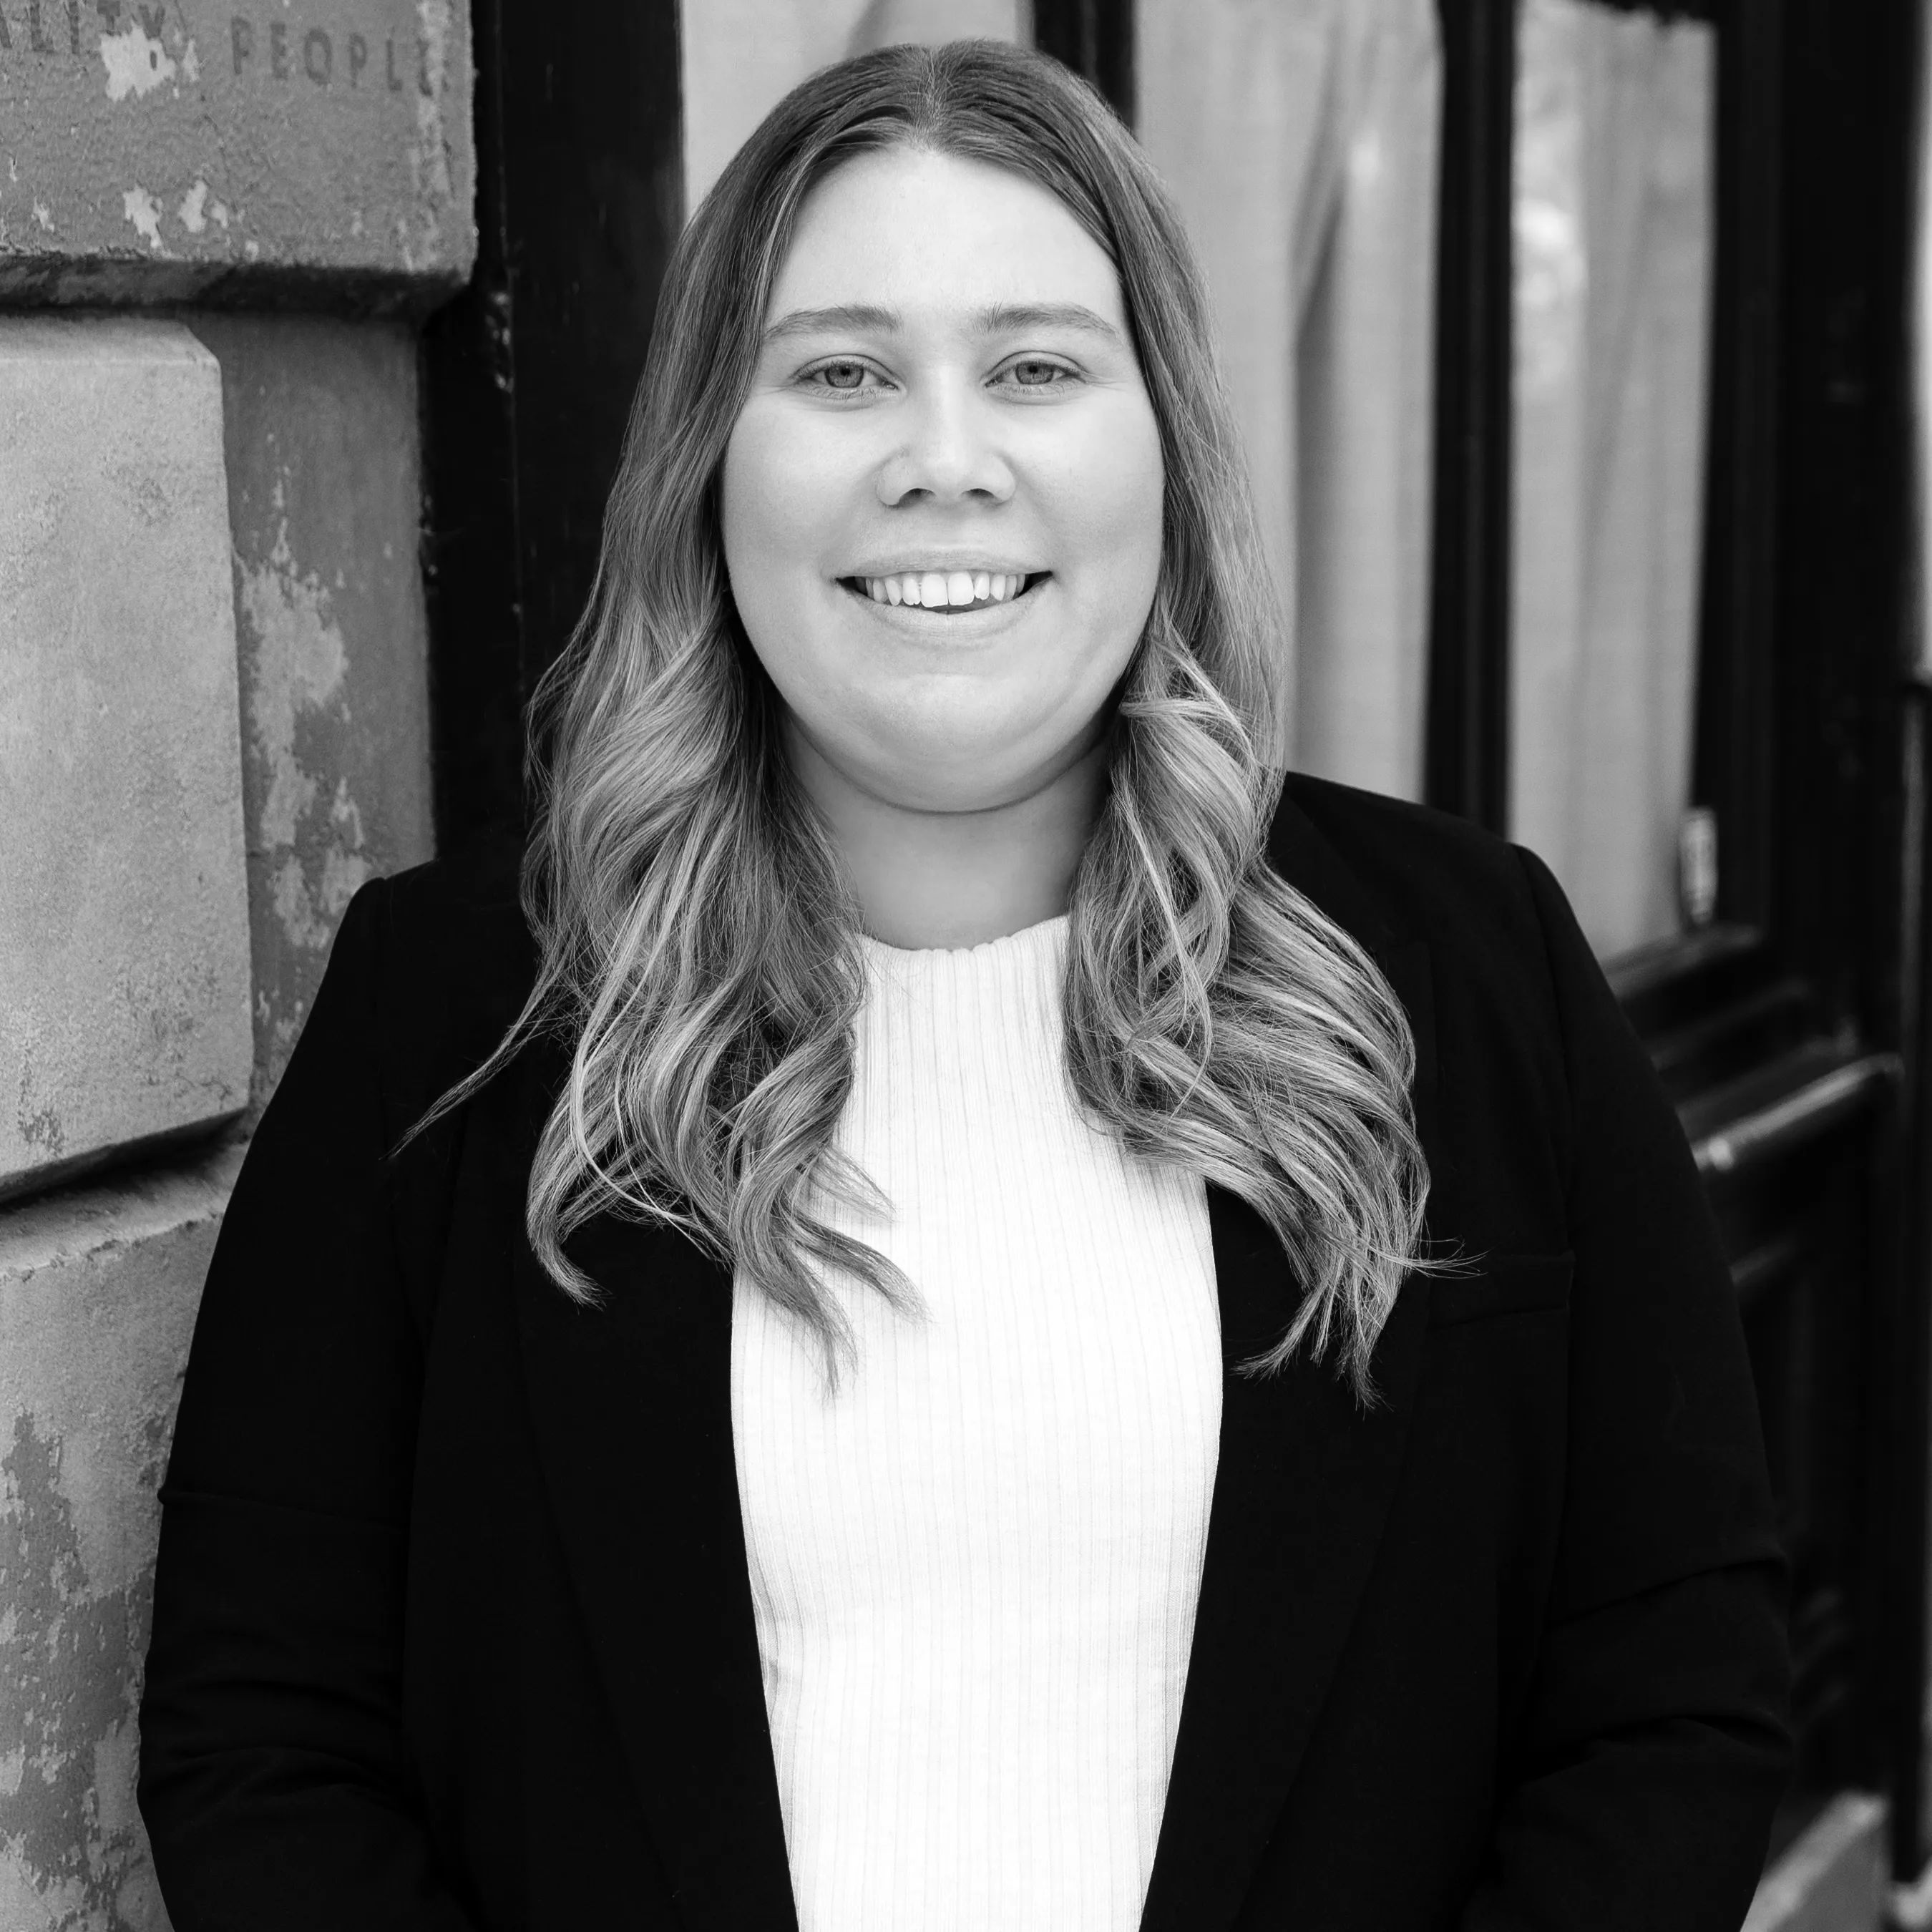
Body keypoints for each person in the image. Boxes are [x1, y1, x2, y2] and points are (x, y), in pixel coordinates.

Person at [137, 37, 1792, 1932]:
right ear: (707, 457)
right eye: (841, 371)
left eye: (1034, 367)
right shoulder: (456, 1017)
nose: (942, 456)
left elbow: (1669, 1693)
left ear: (1158, 440)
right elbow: (264, 1737)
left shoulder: (1459, 976)